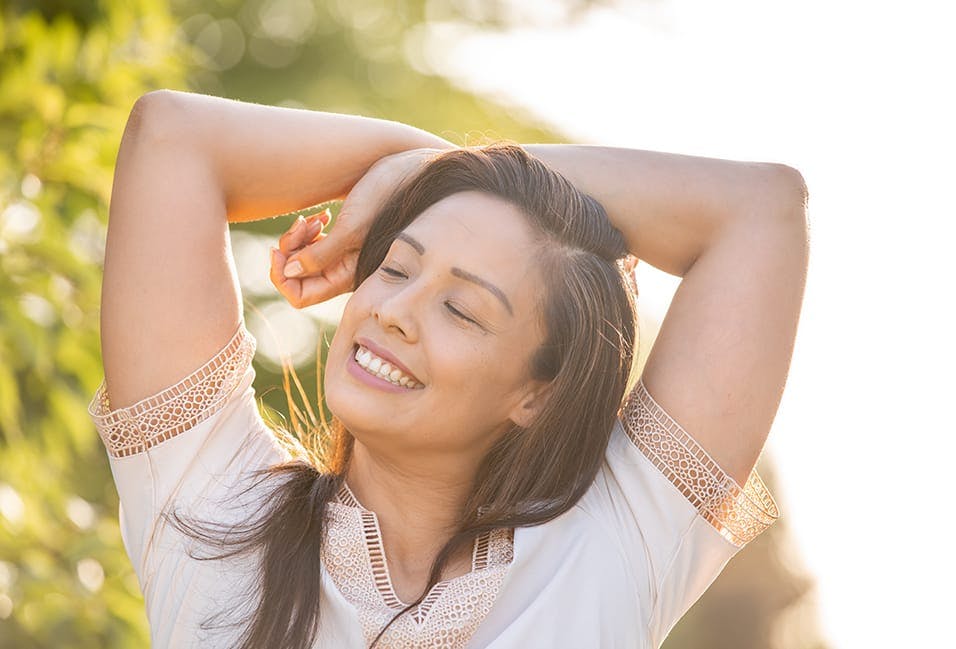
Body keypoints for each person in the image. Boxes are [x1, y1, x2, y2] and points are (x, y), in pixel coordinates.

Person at [87, 89, 808, 648]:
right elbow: (169, 137)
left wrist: (431, 173)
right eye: (396, 265)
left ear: (536, 391)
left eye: (461, 310)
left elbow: (761, 209)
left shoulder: (612, 547)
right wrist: (446, 173)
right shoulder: (214, 509)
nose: (394, 310)